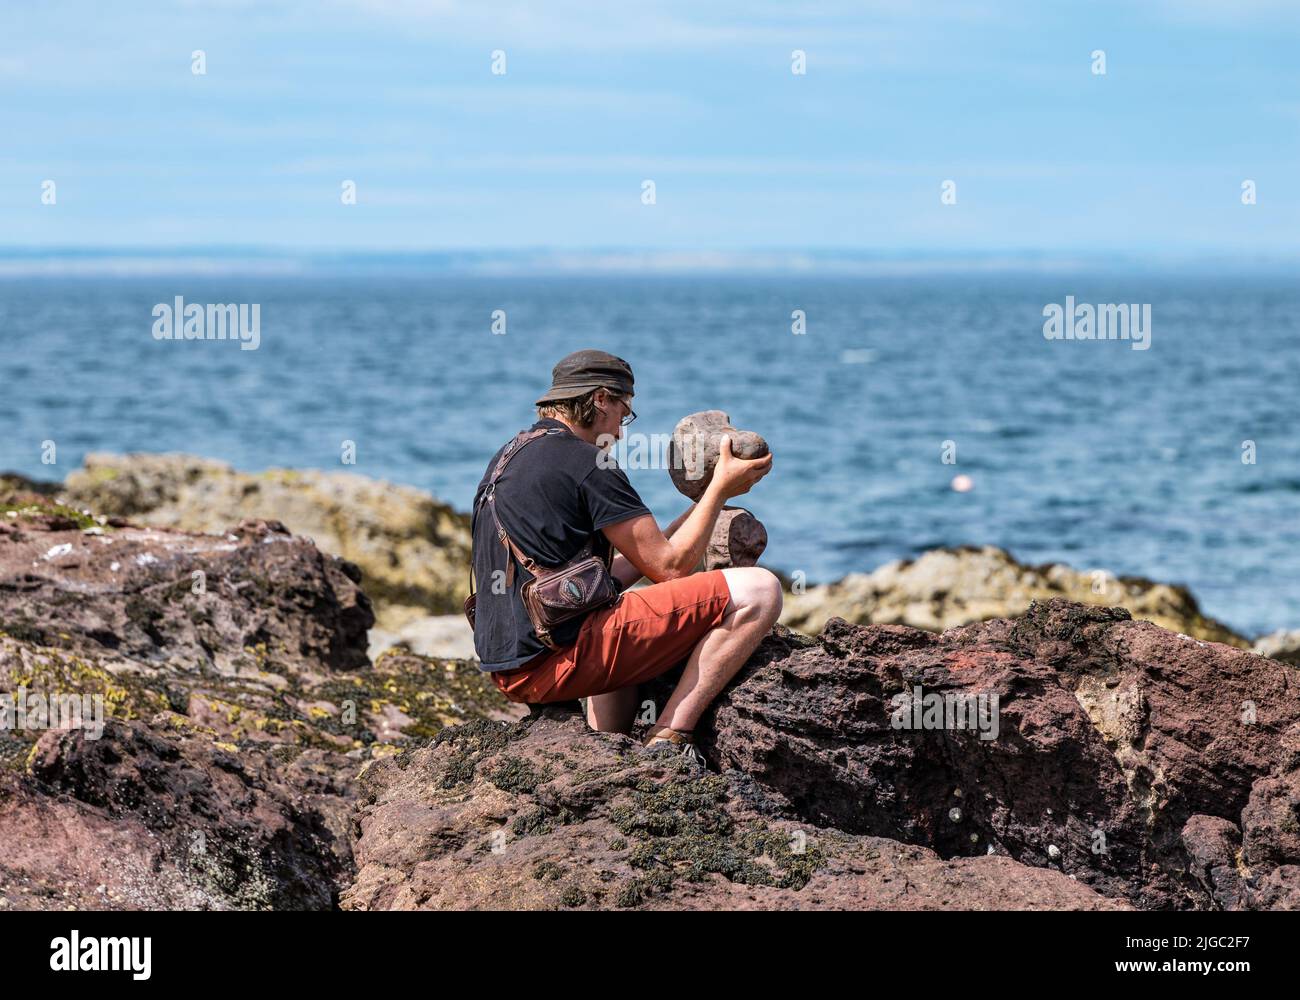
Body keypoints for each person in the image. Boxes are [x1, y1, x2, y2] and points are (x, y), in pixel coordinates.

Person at [470, 349, 781, 756]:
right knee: (761, 589)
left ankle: (605, 748)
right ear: (600, 399)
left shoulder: (510, 455)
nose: (620, 431)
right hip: (555, 662)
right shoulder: (588, 462)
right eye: (624, 413)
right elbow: (670, 569)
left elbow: (588, 583)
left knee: (625, 604)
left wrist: (677, 526)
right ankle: (671, 735)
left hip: (512, 667)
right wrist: (719, 487)